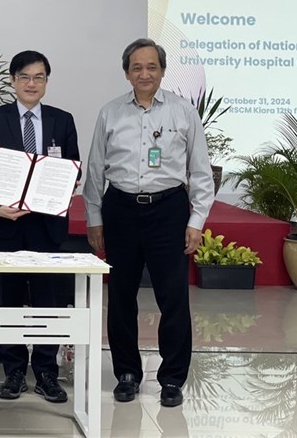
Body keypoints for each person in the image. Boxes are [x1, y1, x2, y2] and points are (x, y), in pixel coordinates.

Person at [82, 38, 214, 408]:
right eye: (136, 67)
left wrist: (196, 220)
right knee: (121, 296)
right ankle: (126, 374)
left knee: (172, 297)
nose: (144, 73)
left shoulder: (183, 112)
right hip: (120, 209)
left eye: (151, 67)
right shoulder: (110, 113)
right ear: (127, 73)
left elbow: (201, 172)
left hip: (168, 209)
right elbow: (95, 170)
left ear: (162, 70)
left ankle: (172, 378)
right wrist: (94, 218)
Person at [0, 50, 80, 404]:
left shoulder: (62, 121)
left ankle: (47, 371)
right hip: (7, 225)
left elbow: (71, 171)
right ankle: (14, 371)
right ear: (12, 80)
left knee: (48, 302)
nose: (31, 83)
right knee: (11, 300)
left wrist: (65, 185)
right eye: (24, 77)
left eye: (39, 77)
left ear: (47, 82)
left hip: (47, 227)